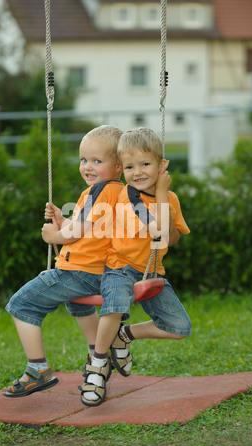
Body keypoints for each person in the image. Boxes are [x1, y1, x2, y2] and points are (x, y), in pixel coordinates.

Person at [3, 125, 123, 397]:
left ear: (118, 166)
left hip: (78, 272)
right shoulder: (117, 192)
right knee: (79, 305)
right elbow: (88, 229)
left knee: (21, 305)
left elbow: (77, 232)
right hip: (99, 272)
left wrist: (53, 235)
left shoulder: (97, 192)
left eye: (97, 161)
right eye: (83, 160)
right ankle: (98, 358)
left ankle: (38, 370)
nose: (87, 167)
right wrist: (62, 219)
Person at [79, 127, 192, 406]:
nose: (137, 172)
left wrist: (164, 194)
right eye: (129, 166)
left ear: (161, 165)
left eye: (145, 164)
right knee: (115, 306)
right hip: (119, 269)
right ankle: (97, 367)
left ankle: (124, 335)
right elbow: (159, 230)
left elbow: (172, 236)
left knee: (179, 328)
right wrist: (163, 193)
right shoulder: (126, 196)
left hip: (152, 273)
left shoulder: (171, 198)